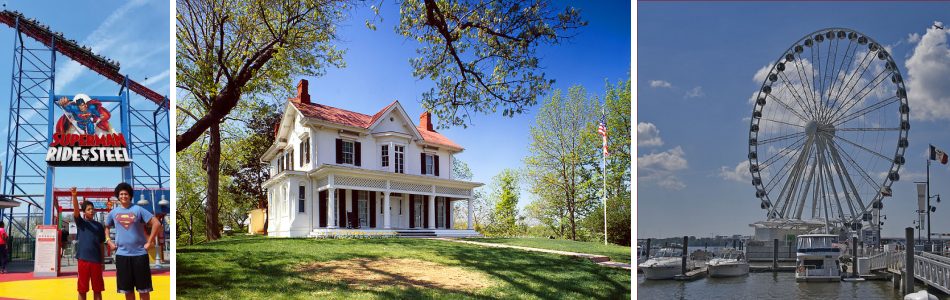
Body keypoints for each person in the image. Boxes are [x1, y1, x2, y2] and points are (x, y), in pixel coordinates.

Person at [105, 183, 160, 300]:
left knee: (144, 290)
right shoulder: (113, 213)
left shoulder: (138, 209)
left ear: (130, 196)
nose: (123, 196)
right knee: (127, 291)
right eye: (121, 194)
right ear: (118, 196)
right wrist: (109, 241)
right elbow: (106, 227)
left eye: (126, 194)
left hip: (140, 255)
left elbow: (156, 223)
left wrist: (149, 242)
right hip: (122, 256)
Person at [72, 187, 105, 300]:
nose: (91, 210)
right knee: (82, 289)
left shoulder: (99, 226)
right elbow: (76, 211)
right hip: (83, 260)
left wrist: (102, 261)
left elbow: (101, 244)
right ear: (84, 212)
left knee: (98, 289)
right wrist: (74, 196)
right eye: (89, 209)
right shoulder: (81, 223)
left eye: (92, 209)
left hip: (96, 261)